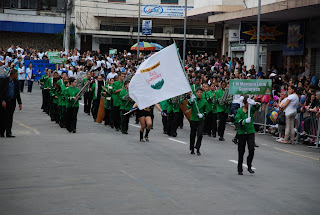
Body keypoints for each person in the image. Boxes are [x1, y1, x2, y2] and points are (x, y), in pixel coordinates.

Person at [234, 95, 260, 175]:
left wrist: (254, 103)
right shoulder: (239, 110)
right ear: (245, 103)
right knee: (241, 151)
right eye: (248, 103)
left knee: (251, 149)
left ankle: (249, 166)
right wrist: (244, 121)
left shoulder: (251, 110)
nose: (249, 105)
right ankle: (240, 169)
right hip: (242, 133)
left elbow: (258, 106)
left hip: (250, 132)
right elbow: (237, 120)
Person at [0, 69, 22, 137]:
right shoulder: (5, 81)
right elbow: (1, 91)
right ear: (13, 74)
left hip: (12, 101)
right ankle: (2, 132)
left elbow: (17, 93)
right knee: (3, 117)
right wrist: (2, 100)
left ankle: (8, 132)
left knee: (10, 117)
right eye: (16, 74)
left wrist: (19, 103)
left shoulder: (16, 82)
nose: (17, 76)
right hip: (5, 101)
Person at [187, 87, 208, 156]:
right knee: (192, 134)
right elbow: (187, 107)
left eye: (201, 92)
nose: (199, 94)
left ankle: (198, 148)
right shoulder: (193, 100)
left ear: (202, 93)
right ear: (196, 93)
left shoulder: (204, 101)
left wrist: (202, 114)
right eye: (198, 92)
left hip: (200, 120)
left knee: (199, 134)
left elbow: (207, 110)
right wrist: (190, 102)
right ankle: (192, 148)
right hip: (193, 119)